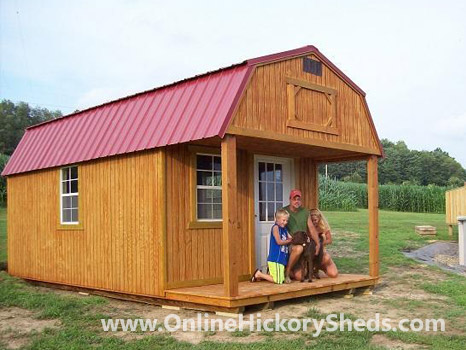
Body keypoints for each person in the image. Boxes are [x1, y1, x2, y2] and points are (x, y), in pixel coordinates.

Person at [283, 189, 320, 283]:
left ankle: (287, 270)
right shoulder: (284, 211)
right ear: (290, 199)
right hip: (290, 244)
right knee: (299, 248)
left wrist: (318, 243)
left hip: (304, 244)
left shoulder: (305, 212)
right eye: (294, 199)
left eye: (298, 199)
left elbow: (311, 228)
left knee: (300, 277)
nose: (297, 201)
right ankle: (287, 272)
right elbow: (279, 227)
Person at [251, 209, 292, 284]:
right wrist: (290, 241)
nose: (285, 222)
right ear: (277, 219)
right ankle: (258, 274)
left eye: (286, 221)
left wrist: (291, 239)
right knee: (278, 281)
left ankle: (263, 275)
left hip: (281, 259)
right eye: (283, 220)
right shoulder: (275, 228)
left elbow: (290, 237)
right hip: (276, 258)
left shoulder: (284, 229)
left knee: (281, 279)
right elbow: (279, 242)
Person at [310, 209, 338, 278]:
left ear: (319, 218)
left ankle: (319, 268)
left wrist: (320, 243)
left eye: (315, 220)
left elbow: (329, 240)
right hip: (311, 253)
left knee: (333, 274)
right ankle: (313, 270)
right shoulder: (309, 227)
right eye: (312, 220)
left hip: (322, 252)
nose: (314, 222)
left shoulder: (324, 227)